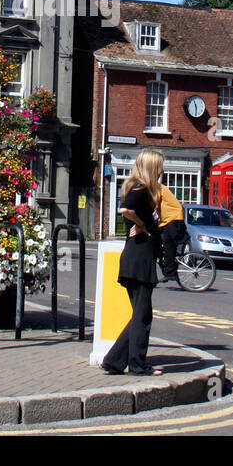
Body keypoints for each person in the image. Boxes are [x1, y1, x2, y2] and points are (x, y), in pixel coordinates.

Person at [101, 148, 165, 377]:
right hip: (139, 259)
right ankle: (137, 366)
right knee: (142, 315)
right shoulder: (140, 187)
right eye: (159, 165)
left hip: (135, 257)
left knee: (140, 314)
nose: (162, 170)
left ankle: (113, 361)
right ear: (151, 167)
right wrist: (142, 225)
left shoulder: (133, 185)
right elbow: (125, 210)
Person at [155, 183, 186, 284]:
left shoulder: (157, 188)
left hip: (173, 219)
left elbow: (154, 205)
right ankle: (169, 269)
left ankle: (170, 274)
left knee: (168, 245)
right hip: (167, 220)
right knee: (160, 244)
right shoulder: (158, 187)